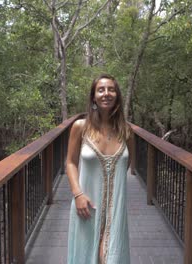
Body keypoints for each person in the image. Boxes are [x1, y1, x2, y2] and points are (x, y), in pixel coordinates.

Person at [66, 74, 134, 264]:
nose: (106, 93)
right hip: (86, 206)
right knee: (86, 255)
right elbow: (70, 162)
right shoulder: (80, 127)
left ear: (117, 95)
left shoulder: (126, 130)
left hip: (116, 209)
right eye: (101, 89)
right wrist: (77, 194)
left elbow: (127, 163)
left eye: (111, 89)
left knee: (110, 258)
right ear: (93, 97)